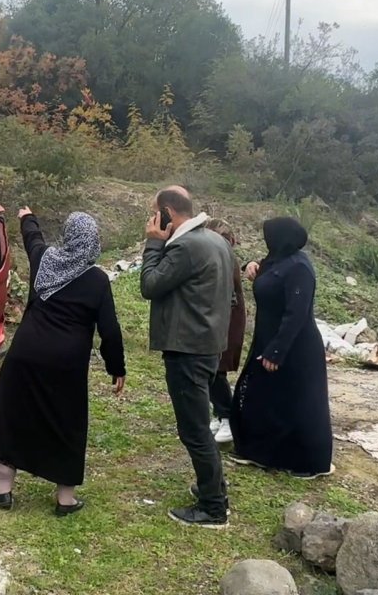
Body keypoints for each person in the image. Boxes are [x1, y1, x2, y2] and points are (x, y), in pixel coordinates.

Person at [0, 209, 126, 516]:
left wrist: (27, 216)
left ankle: (3, 492)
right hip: (66, 365)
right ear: (93, 242)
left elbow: (32, 238)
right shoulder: (97, 280)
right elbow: (110, 331)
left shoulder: (44, 260)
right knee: (66, 424)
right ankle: (65, 500)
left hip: (24, 354)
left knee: (13, 417)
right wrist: (117, 368)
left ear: (68, 236)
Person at [140, 186, 234, 528]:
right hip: (208, 343)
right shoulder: (215, 240)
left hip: (187, 348)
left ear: (167, 212)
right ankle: (214, 488)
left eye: (155, 212)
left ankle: (213, 508)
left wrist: (153, 243)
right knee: (198, 424)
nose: (152, 219)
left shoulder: (185, 245)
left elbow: (150, 285)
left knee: (194, 429)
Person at [234, 218, 334, 479]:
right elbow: (267, 275)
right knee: (264, 396)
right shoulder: (276, 261)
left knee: (298, 405)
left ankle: (307, 463)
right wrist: (250, 266)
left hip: (295, 347)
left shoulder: (300, 267)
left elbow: (296, 314)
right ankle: (260, 453)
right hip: (268, 338)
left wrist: (277, 351)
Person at [204, 218, 247, 444]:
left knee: (216, 369)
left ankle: (228, 417)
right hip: (217, 318)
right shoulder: (221, 257)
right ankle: (220, 414)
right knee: (210, 369)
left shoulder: (226, 259)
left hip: (226, 320)